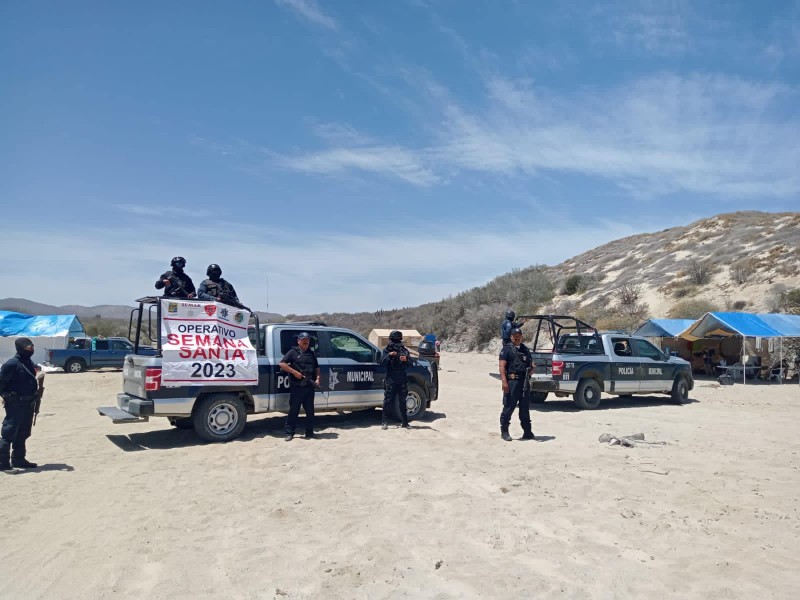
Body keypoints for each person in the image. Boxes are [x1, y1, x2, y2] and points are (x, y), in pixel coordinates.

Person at [0, 338, 41, 470]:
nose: (31, 350)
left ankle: (18, 459)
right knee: (9, 433)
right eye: (29, 348)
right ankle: (3, 464)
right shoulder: (12, 364)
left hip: (28, 404)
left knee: (23, 433)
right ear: (20, 348)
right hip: (15, 404)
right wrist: (7, 397)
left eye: (32, 347)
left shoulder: (27, 362)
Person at [278, 332, 320, 441]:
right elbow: (282, 364)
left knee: (310, 411)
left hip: (309, 386)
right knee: (294, 411)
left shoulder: (311, 353)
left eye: (307, 339)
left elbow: (316, 367)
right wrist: (294, 372)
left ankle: (309, 432)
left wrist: (318, 378)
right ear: (298, 341)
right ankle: (289, 433)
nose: (306, 341)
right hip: (297, 386)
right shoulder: (293, 352)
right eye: (303, 339)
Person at [498, 328, 534, 442]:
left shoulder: (525, 349)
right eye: (515, 335)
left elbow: (530, 364)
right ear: (511, 337)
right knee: (509, 407)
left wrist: (532, 368)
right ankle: (504, 432)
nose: (517, 337)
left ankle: (527, 432)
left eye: (519, 335)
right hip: (512, 382)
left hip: (524, 382)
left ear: (522, 337)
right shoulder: (506, 350)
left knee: (524, 408)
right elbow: (502, 366)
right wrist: (504, 382)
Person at [381, 330, 411, 430]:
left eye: (397, 341)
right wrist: (389, 355)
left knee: (403, 401)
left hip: (402, 378)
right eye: (394, 341)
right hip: (391, 378)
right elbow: (382, 362)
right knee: (388, 401)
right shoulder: (386, 350)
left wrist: (405, 359)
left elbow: (410, 363)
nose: (395, 343)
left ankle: (405, 422)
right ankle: (384, 422)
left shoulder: (404, 350)